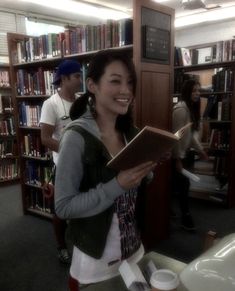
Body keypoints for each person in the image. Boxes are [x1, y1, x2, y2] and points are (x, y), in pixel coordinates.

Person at [54, 49, 157, 291]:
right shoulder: (76, 137)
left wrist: (147, 170)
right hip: (96, 259)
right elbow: (63, 206)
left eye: (129, 82)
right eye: (115, 81)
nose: (126, 91)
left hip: (134, 248)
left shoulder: (130, 132)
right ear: (92, 85)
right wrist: (117, 185)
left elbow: (139, 185)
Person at [40, 59, 82, 264]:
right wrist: (68, 152)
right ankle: (61, 246)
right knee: (60, 210)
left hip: (84, 164)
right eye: (76, 76)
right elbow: (45, 138)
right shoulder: (51, 104)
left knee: (83, 205)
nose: (80, 80)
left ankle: (81, 243)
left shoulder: (82, 102)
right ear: (64, 79)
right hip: (63, 165)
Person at [172, 79, 208, 231]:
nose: (197, 94)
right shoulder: (181, 109)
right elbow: (176, 136)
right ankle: (186, 217)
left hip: (184, 153)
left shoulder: (190, 109)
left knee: (180, 186)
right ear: (187, 92)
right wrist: (178, 159)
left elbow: (190, 135)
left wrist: (200, 150)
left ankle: (178, 213)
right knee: (183, 186)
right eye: (194, 91)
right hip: (176, 155)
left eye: (199, 91)